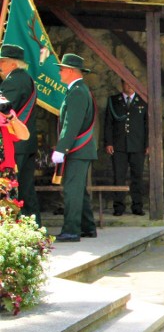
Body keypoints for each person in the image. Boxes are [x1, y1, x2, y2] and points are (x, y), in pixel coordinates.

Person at [52, 53, 97, 242]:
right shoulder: (78, 90)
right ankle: (88, 227)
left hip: (77, 150)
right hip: (80, 150)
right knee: (79, 189)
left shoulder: (77, 92)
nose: (60, 72)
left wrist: (61, 148)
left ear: (70, 71)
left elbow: (72, 124)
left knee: (71, 189)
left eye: (62, 69)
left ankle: (71, 230)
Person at [0, 44, 40, 225]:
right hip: (26, 143)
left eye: (3, 61)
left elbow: (4, 110)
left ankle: (20, 227)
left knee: (13, 189)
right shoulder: (26, 79)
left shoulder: (13, 81)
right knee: (26, 188)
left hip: (15, 145)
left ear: (13, 65)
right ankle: (34, 227)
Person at [104, 79, 148, 216]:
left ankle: (137, 205)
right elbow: (108, 123)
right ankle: (118, 206)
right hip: (119, 145)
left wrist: (147, 144)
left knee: (137, 176)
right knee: (119, 176)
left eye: (131, 84)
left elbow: (147, 124)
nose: (128, 86)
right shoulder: (113, 100)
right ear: (122, 84)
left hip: (137, 145)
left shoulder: (143, 100)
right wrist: (108, 142)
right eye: (126, 83)